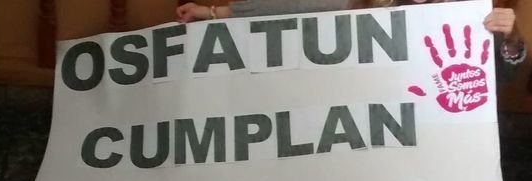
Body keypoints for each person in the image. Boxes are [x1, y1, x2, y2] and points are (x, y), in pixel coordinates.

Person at [176, 1, 526, 65]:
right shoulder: (363, 2)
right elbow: (291, 5)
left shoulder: (469, 12)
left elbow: (508, 68)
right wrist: (213, 13)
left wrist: (510, 36)